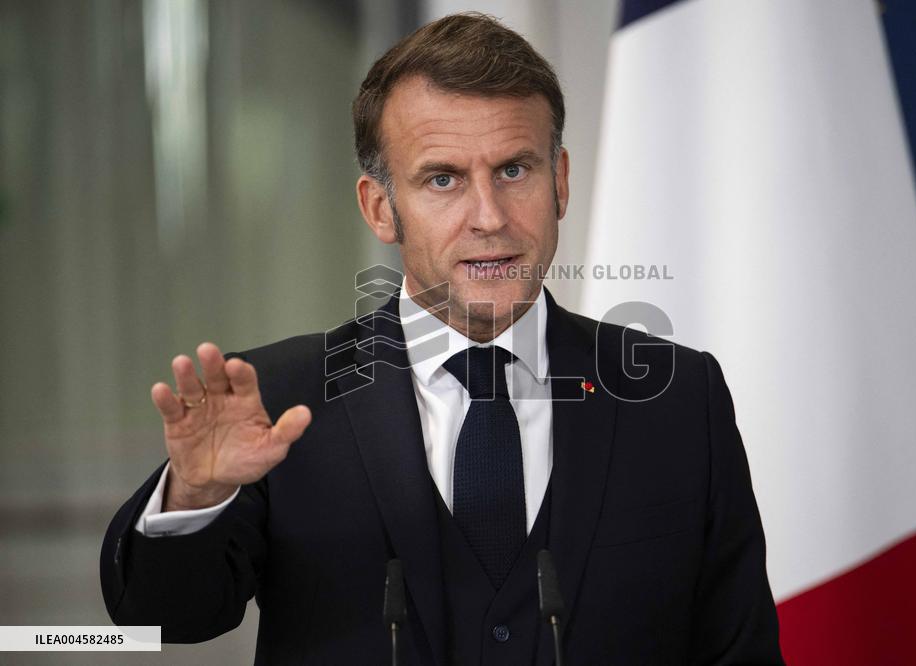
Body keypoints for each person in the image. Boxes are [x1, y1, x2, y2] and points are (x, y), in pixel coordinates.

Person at [100, 12, 782, 665]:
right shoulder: (277, 399)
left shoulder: (676, 398)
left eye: (515, 169)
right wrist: (194, 498)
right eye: (443, 179)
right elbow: (167, 618)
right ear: (379, 207)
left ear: (562, 181)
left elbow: (736, 651)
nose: (489, 217)